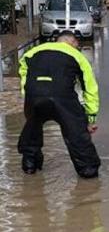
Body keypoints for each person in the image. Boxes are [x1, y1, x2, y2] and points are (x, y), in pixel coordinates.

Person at [17, 31, 101, 178]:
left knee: (32, 128)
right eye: (77, 44)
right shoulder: (78, 56)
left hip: (34, 96)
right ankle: (88, 173)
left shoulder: (32, 52)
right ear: (72, 42)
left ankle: (30, 165)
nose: (78, 47)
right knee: (77, 135)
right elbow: (90, 88)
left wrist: (29, 99)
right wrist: (91, 117)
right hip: (62, 97)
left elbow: (24, 74)